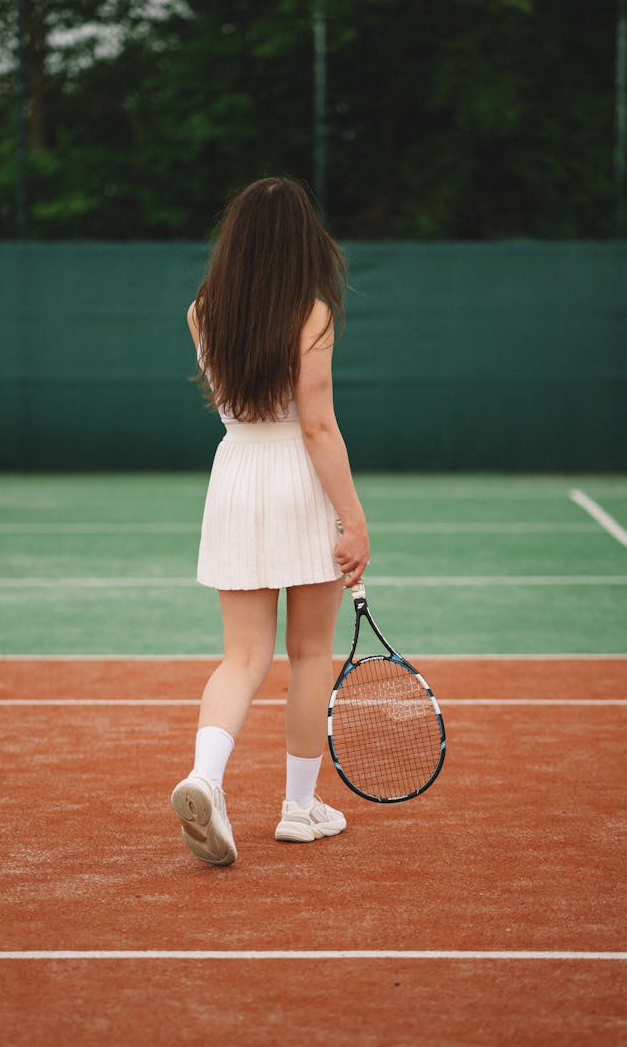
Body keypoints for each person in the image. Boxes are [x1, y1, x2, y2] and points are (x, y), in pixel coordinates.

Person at [171, 176, 370, 866]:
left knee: (242, 656)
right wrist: (354, 520)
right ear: (301, 243)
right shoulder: (311, 315)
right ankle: (298, 808)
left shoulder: (203, 311)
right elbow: (316, 426)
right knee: (309, 653)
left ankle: (205, 778)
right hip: (294, 478)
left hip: (235, 477)